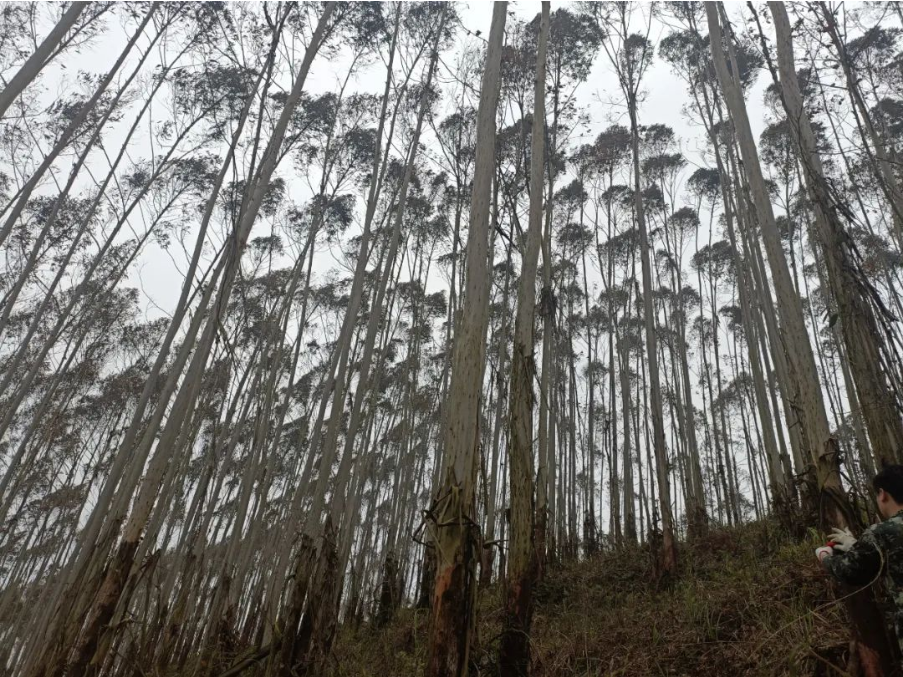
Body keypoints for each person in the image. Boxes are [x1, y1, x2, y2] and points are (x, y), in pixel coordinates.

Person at [816, 464, 903, 654]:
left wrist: (824, 557)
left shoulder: (882, 532)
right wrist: (856, 545)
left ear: (882, 494)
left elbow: (851, 571)